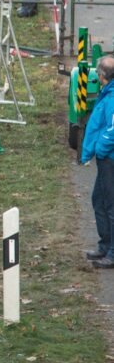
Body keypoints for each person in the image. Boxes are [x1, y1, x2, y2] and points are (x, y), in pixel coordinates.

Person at [79, 56, 114, 269]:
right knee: (98, 201)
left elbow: (112, 130)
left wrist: (99, 147)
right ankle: (104, 246)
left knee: (110, 206)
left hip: (109, 159)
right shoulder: (107, 92)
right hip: (105, 159)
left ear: (102, 76)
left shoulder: (111, 97)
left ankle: (111, 253)